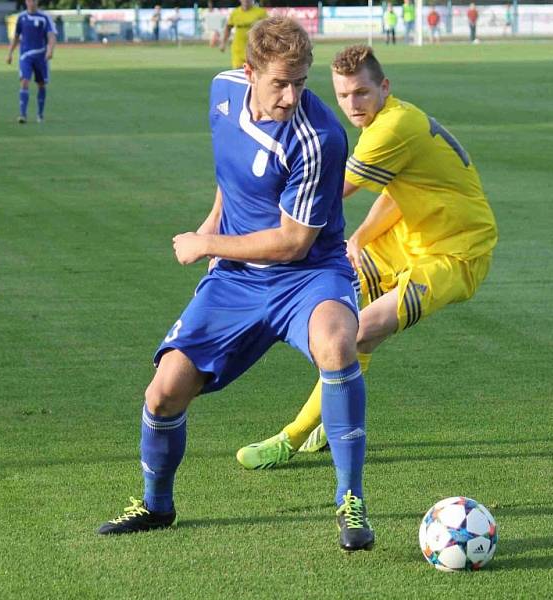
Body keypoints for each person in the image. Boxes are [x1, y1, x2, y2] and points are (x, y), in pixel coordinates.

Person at [97, 17, 375, 553]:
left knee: (338, 345)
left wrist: (206, 246)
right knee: (164, 391)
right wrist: (213, 222)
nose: (292, 95)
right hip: (237, 281)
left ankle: (350, 500)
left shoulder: (319, 139)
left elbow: (294, 242)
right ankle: (156, 506)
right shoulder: (222, 92)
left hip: (308, 276)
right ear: (249, 73)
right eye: (280, 83)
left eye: (301, 82)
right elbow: (233, 174)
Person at [236, 44, 497, 471]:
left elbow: (324, 192)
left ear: (384, 87)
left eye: (360, 93)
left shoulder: (389, 130)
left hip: (454, 253)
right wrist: (359, 237)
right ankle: (330, 418)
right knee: (341, 310)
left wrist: (255, 200)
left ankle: (292, 437)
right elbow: (401, 191)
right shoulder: (393, 119)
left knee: (357, 334)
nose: (351, 104)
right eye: (342, 95)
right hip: (408, 237)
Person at [6, 0, 56, 124]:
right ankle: (23, 114)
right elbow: (16, 37)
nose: (31, 2)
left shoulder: (45, 18)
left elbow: (51, 36)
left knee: (41, 84)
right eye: (29, 0)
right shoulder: (21, 17)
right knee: (24, 81)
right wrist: (10, 53)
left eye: (33, 0)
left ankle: (40, 114)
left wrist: (50, 50)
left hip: (41, 56)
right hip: (25, 56)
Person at [220, 0, 267, 69]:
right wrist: (223, 43)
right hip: (238, 48)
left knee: (253, 71)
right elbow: (228, 27)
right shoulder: (235, 12)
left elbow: (268, 27)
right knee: (239, 71)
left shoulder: (260, 12)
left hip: (254, 48)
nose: (246, 1)